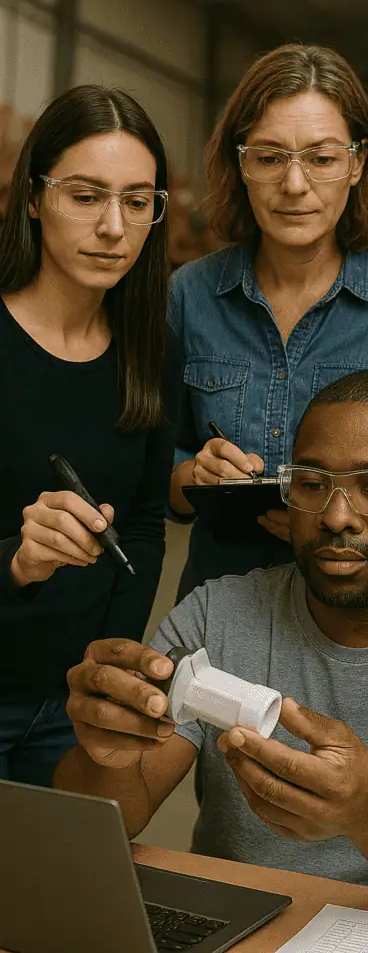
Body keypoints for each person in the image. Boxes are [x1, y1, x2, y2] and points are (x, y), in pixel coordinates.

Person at [57, 371, 368, 921]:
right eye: (310, 484)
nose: (335, 516)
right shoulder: (215, 618)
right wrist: (106, 753)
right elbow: (100, 822)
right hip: (241, 928)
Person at [168, 43, 368, 599]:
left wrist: (345, 510)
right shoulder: (190, 295)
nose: (295, 185)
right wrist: (192, 478)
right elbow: (158, 468)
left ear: (357, 163)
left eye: (322, 159)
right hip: (223, 600)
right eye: (270, 157)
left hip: (362, 612)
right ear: (240, 163)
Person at [0, 85, 179, 787]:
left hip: (75, 704)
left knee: (56, 895)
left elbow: (140, 526)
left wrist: (107, 668)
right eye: (86, 196)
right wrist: (17, 560)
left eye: (137, 202)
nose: (113, 226)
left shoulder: (151, 351)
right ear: (36, 196)